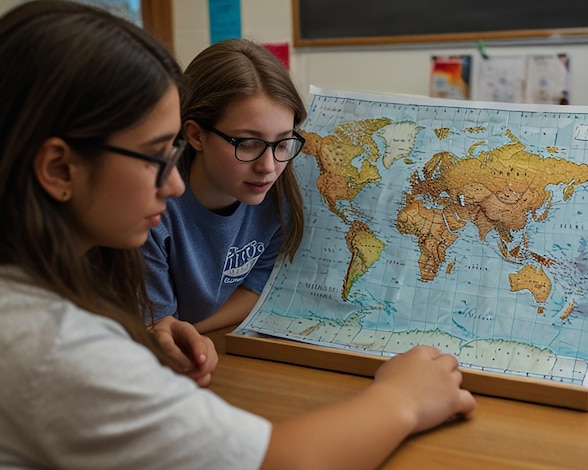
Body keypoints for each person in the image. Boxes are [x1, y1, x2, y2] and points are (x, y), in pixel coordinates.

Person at [0, 2, 476, 469]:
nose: (175, 183)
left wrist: (153, 331)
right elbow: (283, 462)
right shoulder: (57, 347)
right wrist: (402, 398)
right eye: (156, 154)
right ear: (60, 168)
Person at [141, 38, 306, 333]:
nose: (268, 167)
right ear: (196, 135)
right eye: (248, 143)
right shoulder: (151, 213)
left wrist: (191, 333)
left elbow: (256, 290)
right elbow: (156, 326)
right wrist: (179, 334)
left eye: (283, 143)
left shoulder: (278, 199)